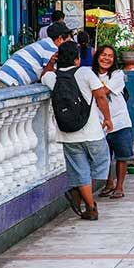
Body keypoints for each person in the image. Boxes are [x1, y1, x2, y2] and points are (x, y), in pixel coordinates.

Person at [41, 41, 112, 221]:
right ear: (77, 59)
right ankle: (85, 196)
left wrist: (51, 63)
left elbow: (44, 74)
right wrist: (108, 118)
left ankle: (88, 202)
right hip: (92, 132)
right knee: (102, 162)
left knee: (80, 171)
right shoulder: (85, 72)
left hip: (67, 134)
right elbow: (101, 96)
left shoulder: (53, 77)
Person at [93, 46, 134, 200]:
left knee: (122, 156)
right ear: (97, 56)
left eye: (110, 56)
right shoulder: (91, 74)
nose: (106, 58)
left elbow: (103, 92)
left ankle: (119, 186)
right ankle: (109, 183)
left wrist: (93, 88)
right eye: (103, 55)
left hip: (120, 121)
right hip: (99, 123)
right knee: (105, 156)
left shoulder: (117, 74)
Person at [0, 22, 72, 89]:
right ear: (60, 38)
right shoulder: (51, 49)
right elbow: (47, 77)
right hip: (8, 83)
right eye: (68, 40)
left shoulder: (43, 44)